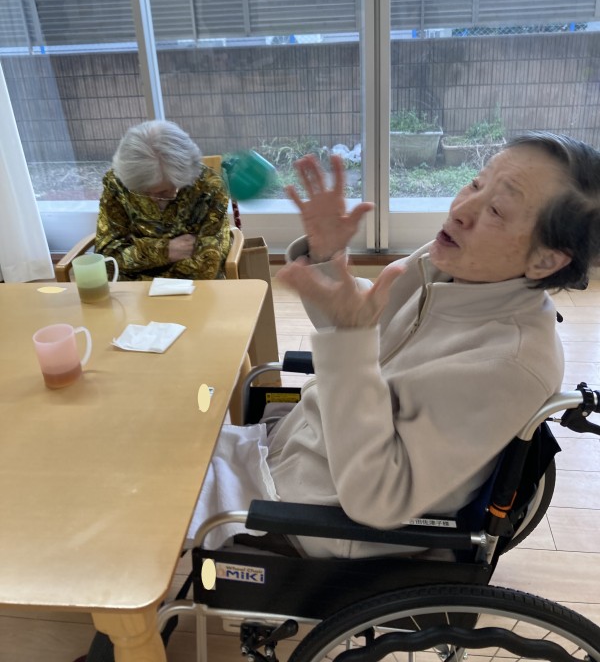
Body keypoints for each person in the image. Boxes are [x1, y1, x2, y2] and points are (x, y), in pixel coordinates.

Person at [190, 131, 600, 559]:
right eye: (475, 184)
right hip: (294, 451)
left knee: (154, 507)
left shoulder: (510, 366)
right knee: (168, 446)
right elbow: (364, 319)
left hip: (314, 517)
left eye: (496, 210)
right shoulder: (447, 265)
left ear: (546, 259)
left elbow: (377, 498)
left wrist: (350, 342)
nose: (461, 210)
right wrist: (326, 258)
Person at [95, 120, 231, 281]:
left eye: (165, 191)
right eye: (145, 192)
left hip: (191, 287)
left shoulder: (209, 187)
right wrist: (165, 251)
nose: (154, 198)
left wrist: (136, 251)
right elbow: (107, 257)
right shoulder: (117, 183)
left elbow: (207, 265)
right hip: (132, 291)